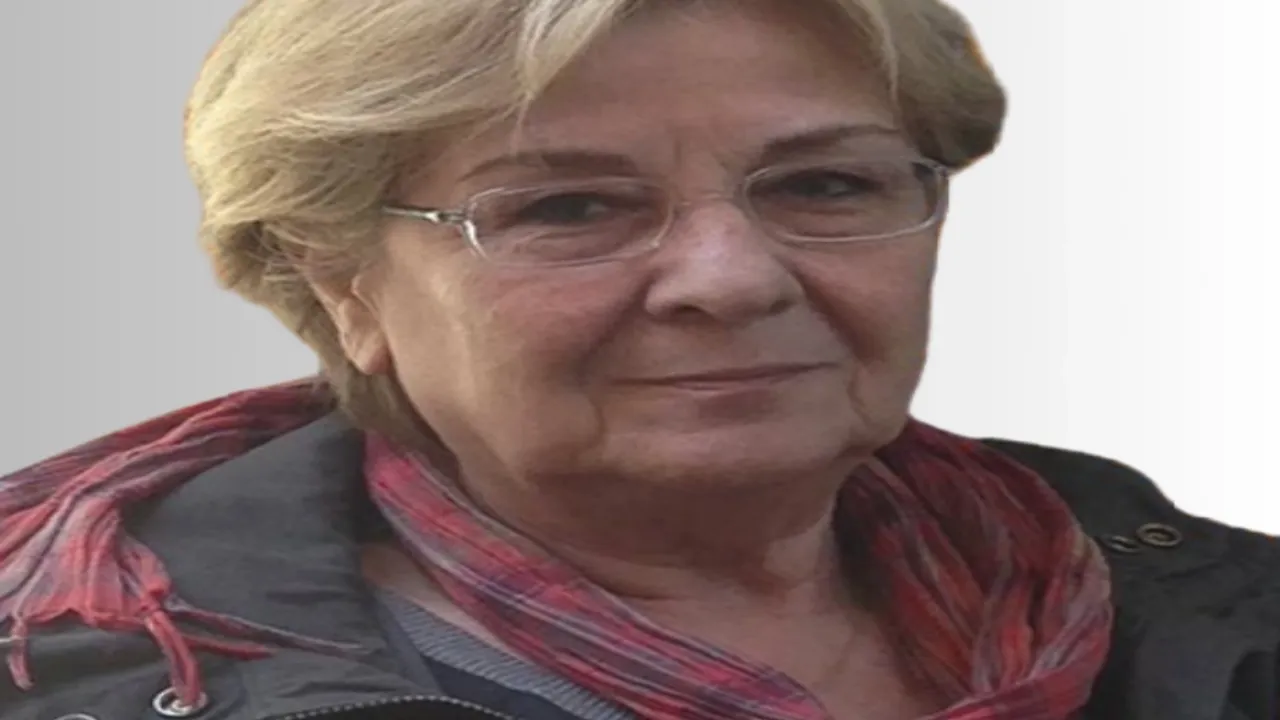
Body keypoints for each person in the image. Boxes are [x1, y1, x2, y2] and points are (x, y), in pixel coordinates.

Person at [1, 0, 1275, 718]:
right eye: (566, 208)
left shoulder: (1185, 597)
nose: (731, 278)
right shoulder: (90, 675)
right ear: (342, 286)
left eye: (824, 184)